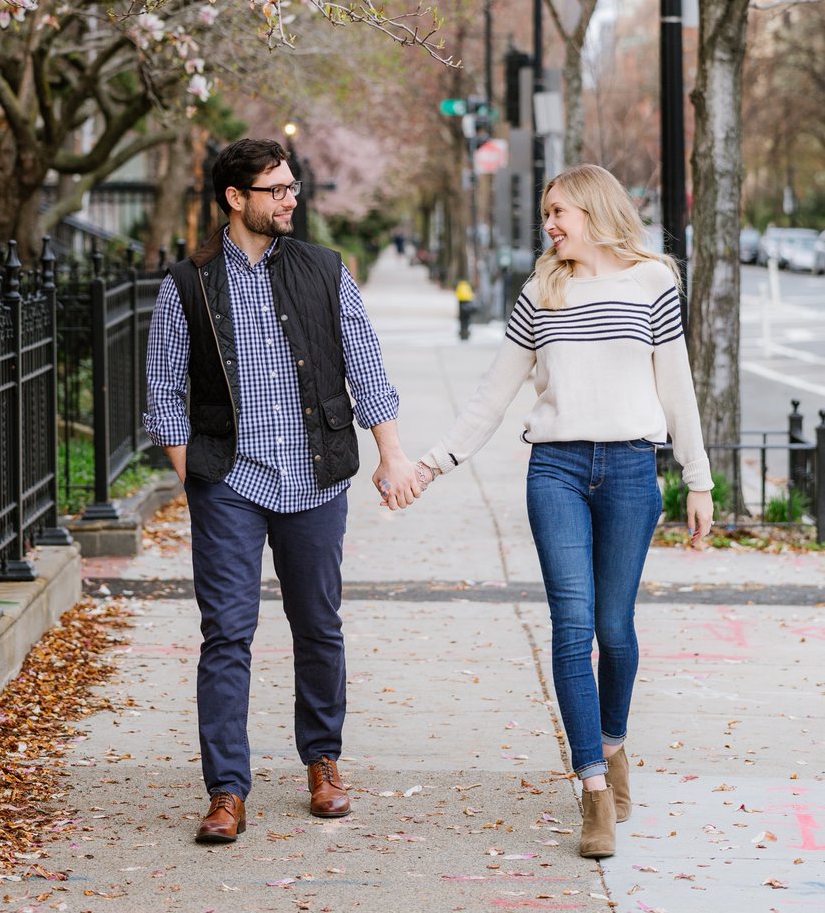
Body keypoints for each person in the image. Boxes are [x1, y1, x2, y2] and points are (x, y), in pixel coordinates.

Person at [410, 164, 713, 860]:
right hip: (557, 472)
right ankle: (593, 789)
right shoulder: (541, 292)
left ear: (594, 210)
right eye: (547, 213)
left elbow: (678, 387)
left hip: (634, 470)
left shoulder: (651, 284)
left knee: (616, 627)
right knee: (573, 626)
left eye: (559, 212)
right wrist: (433, 463)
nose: (549, 225)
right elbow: (493, 394)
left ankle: (613, 741)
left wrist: (698, 482)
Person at [143, 138, 419, 845]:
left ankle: (323, 763)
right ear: (236, 199)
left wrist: (391, 453)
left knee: (318, 626)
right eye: (276, 190)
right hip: (228, 482)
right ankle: (227, 790)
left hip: (316, 475)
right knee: (227, 634)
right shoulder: (188, 282)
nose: (291, 199)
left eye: (293, 188)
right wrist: (195, 477)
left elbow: (365, 362)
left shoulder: (326, 270)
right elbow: (164, 392)